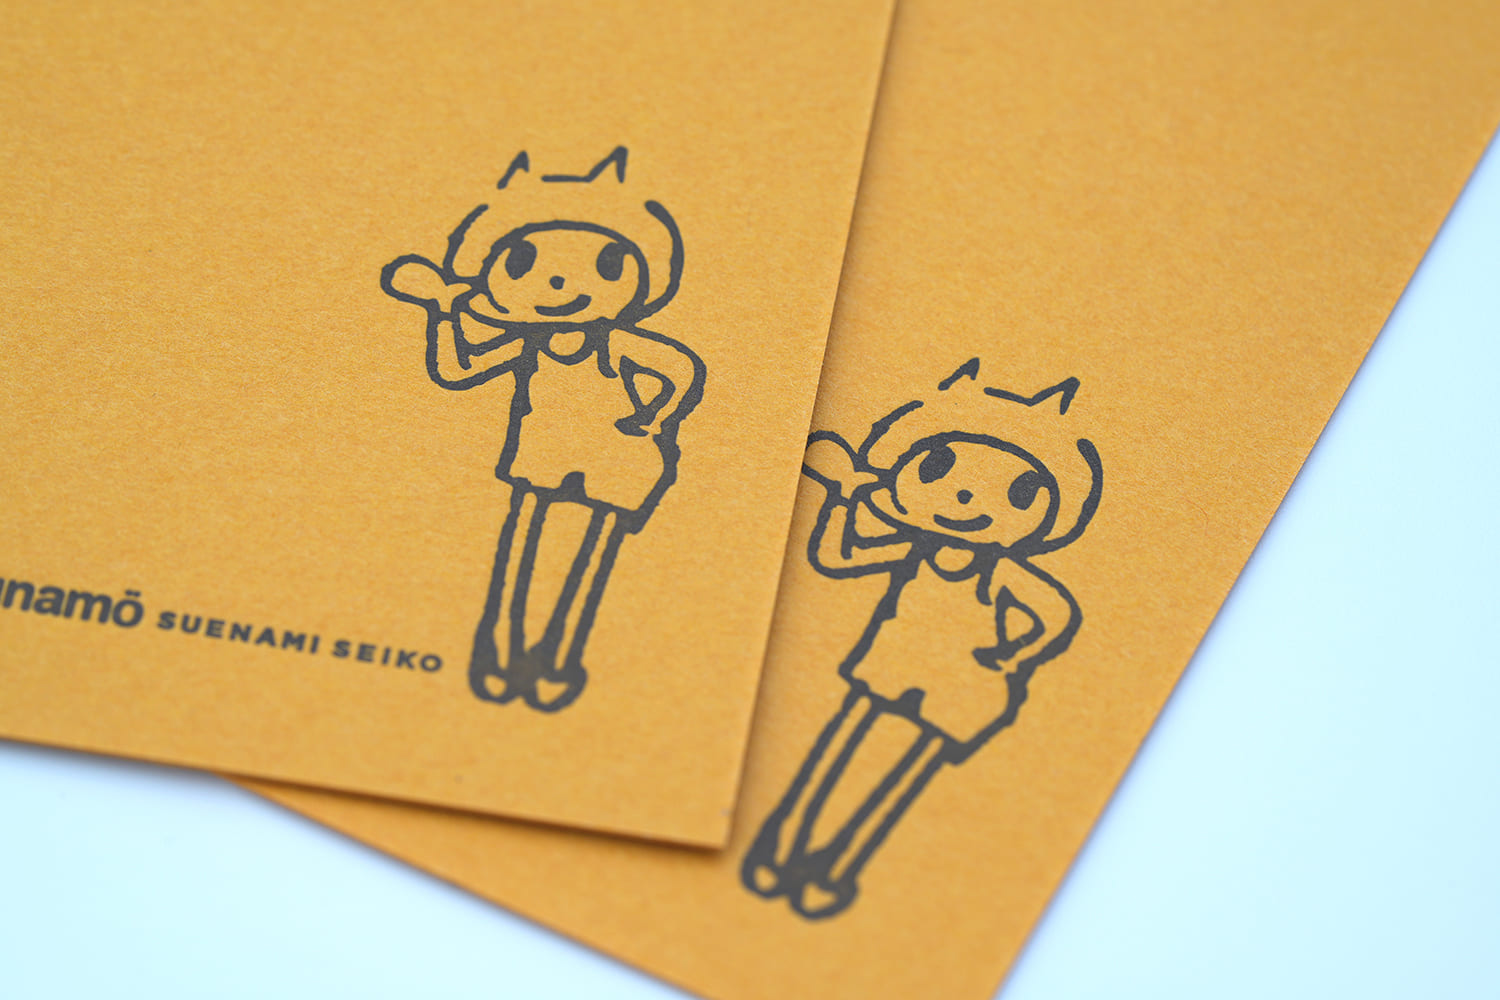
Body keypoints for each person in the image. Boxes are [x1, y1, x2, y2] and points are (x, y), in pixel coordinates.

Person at [741, 359, 1102, 918]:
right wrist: (842, 499)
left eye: (1021, 491)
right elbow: (840, 556)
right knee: (839, 747)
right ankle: (782, 843)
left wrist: (1011, 656)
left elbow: (1052, 614)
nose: (966, 498)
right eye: (937, 467)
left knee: (902, 772)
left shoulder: (999, 572)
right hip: (894, 657)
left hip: (965, 683)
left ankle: (835, 865)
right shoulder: (919, 549)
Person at [381, 149, 705, 712]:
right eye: (522, 261)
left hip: (618, 460)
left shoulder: (615, 343)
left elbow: (680, 371)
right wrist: (442, 311)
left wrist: (654, 419)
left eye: (607, 263)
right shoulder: (528, 341)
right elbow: (459, 370)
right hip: (544, 454)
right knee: (522, 546)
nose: (558, 281)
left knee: (590, 554)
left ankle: (557, 658)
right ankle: (501, 652)